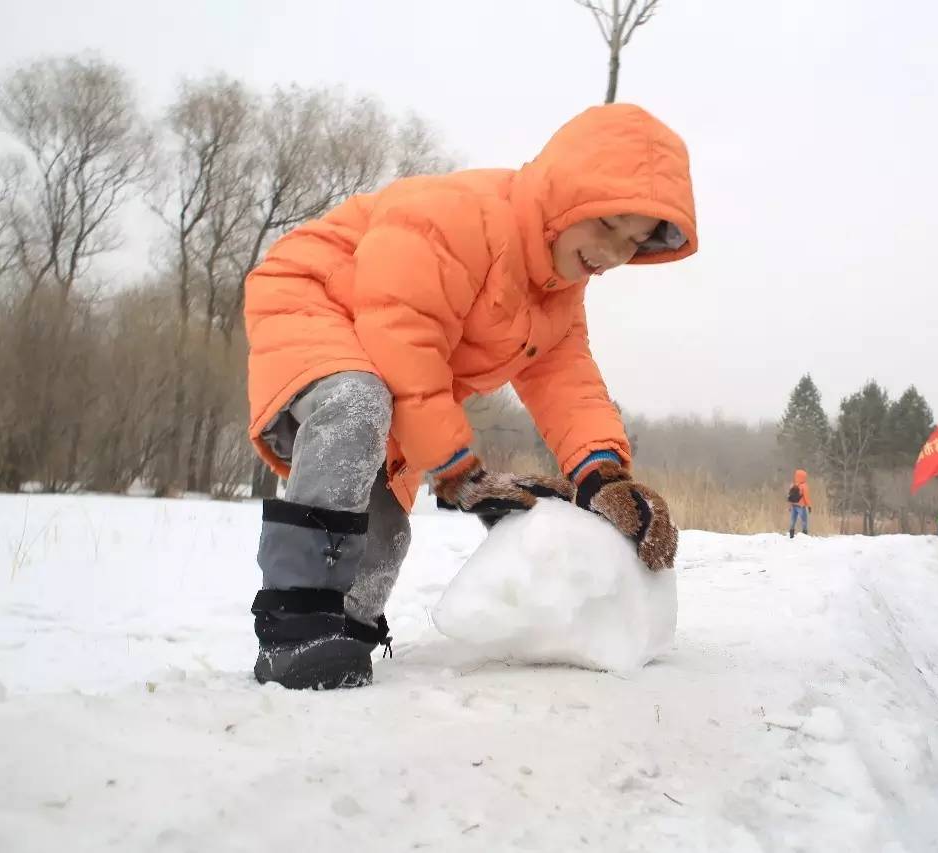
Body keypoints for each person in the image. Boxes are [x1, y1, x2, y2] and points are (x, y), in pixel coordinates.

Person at [243, 104, 697, 691]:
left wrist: (603, 475)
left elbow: (568, 383)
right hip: (316, 301)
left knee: (383, 525)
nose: (613, 253)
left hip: (391, 362)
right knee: (357, 403)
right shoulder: (459, 218)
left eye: (634, 242)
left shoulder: (558, 295)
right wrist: (459, 469)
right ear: (564, 196)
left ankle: (345, 630)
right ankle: (294, 628)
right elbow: (401, 332)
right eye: (606, 224)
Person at [787, 469, 812, 538]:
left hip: (793, 505)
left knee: (792, 520)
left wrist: (789, 507)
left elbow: (790, 497)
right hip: (801, 506)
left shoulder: (793, 485)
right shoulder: (804, 485)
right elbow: (806, 497)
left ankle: (791, 534)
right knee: (804, 520)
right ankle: (804, 534)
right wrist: (809, 506)